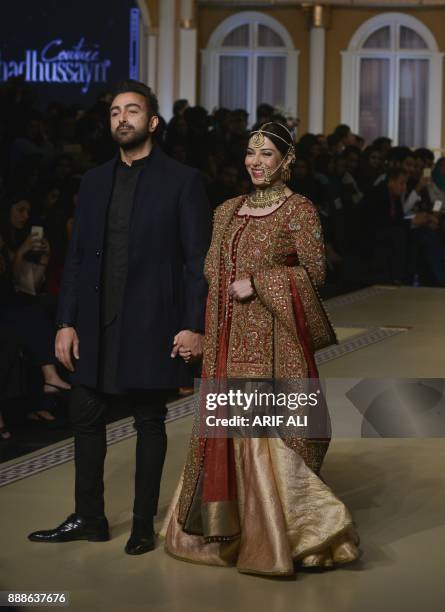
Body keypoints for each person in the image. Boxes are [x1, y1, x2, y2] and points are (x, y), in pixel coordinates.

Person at [161, 122, 360, 576]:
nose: (255, 161)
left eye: (267, 153)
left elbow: (316, 275)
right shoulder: (226, 211)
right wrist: (204, 337)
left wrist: (262, 282)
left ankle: (285, 538)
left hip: (277, 347)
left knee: (273, 442)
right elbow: (212, 282)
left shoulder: (300, 211)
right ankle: (228, 533)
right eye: (250, 152)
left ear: (286, 161)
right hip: (228, 348)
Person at [28, 80, 211, 554]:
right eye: (114, 112)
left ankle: (144, 523)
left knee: (149, 421)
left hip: (153, 323)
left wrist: (194, 326)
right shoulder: (92, 180)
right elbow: (78, 258)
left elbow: (198, 262)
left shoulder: (183, 180)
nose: (121, 119)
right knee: (85, 418)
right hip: (94, 324)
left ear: (152, 122)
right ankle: (89, 517)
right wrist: (65, 321)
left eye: (132, 110)